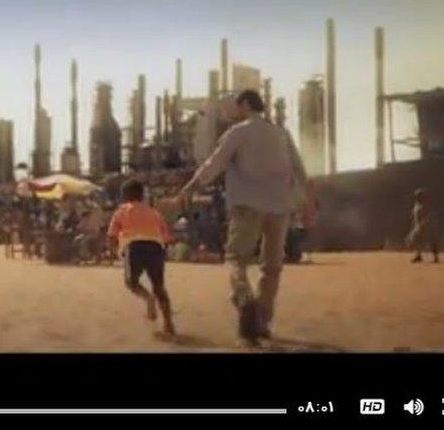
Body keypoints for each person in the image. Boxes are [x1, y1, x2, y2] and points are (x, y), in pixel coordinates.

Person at [176, 89, 307, 345]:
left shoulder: (238, 132)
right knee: (272, 266)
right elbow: (300, 172)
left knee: (236, 258)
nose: (232, 111)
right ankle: (263, 320)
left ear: (245, 105)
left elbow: (214, 163)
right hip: (280, 208)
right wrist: (300, 203)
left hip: (247, 206)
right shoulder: (282, 133)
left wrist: (191, 186)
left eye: (235, 106)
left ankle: (245, 299)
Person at [108, 179, 176, 338]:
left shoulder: (122, 211)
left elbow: (111, 235)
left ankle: (148, 298)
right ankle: (169, 324)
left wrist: (114, 251)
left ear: (125, 196)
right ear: (142, 195)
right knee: (159, 286)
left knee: (131, 282)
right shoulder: (154, 213)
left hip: (134, 246)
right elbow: (166, 237)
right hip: (156, 247)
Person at [408, 188, 441, 263]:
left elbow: (429, 216)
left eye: (419, 196)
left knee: (431, 241)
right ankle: (418, 255)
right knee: (417, 240)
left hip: (427, 226)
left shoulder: (426, 205)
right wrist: (414, 225)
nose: (417, 198)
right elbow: (415, 216)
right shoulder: (416, 205)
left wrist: (423, 224)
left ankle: (436, 257)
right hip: (419, 226)